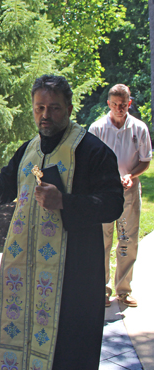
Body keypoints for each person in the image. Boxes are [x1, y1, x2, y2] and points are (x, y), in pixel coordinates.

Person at [0, 75, 124, 369]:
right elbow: (5, 190)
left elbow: (113, 205)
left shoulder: (93, 151)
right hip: (29, 274)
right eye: (39, 108)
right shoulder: (28, 149)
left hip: (74, 275)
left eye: (54, 108)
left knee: (68, 351)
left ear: (68, 108)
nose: (45, 115)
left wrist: (64, 202)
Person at [89, 84, 152, 308]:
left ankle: (123, 290)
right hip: (104, 192)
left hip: (129, 190)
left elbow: (145, 160)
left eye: (123, 105)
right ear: (108, 104)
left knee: (127, 239)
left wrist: (131, 176)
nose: (119, 109)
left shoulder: (139, 128)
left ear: (129, 103)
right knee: (102, 241)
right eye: (115, 104)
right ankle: (102, 290)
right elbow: (88, 162)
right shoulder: (97, 128)